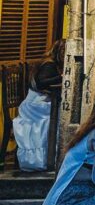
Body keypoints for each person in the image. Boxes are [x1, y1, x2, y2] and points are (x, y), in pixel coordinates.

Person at [13, 39, 65, 170]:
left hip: (40, 100)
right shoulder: (49, 65)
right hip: (35, 104)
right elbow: (42, 82)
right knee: (60, 116)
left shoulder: (52, 63)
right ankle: (49, 157)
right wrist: (63, 76)